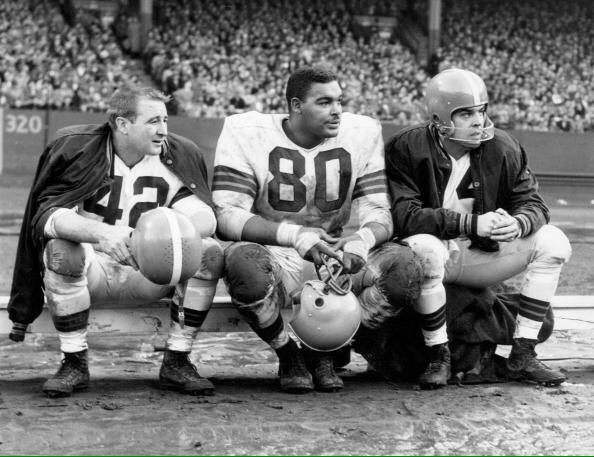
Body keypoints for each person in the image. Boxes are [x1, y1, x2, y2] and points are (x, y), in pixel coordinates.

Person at [212, 66, 422, 394]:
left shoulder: (361, 132)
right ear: (296, 105)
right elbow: (227, 216)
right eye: (324, 102)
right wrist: (294, 235)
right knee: (244, 266)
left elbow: (380, 212)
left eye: (340, 100)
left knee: (403, 270)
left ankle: (328, 348)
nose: (337, 110)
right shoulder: (247, 131)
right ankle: (289, 354)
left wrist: (361, 241)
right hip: (277, 255)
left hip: (334, 253)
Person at [8, 85, 223, 398]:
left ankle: (177, 359)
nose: (163, 130)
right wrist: (102, 234)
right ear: (122, 124)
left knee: (208, 252)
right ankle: (74, 361)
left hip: (149, 270)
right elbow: (48, 218)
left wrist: (150, 239)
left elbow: (206, 218)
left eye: (165, 120)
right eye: (153, 122)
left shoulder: (178, 153)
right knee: (60, 250)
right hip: (90, 268)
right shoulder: (78, 148)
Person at [385, 68, 572, 388]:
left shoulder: (503, 147)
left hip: (477, 256)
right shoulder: (407, 147)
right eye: (466, 113)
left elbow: (535, 205)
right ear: (437, 119)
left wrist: (518, 223)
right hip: (432, 255)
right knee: (426, 249)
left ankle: (523, 354)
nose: (479, 120)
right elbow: (405, 216)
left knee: (554, 242)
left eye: (482, 110)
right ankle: (438, 356)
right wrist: (471, 223)